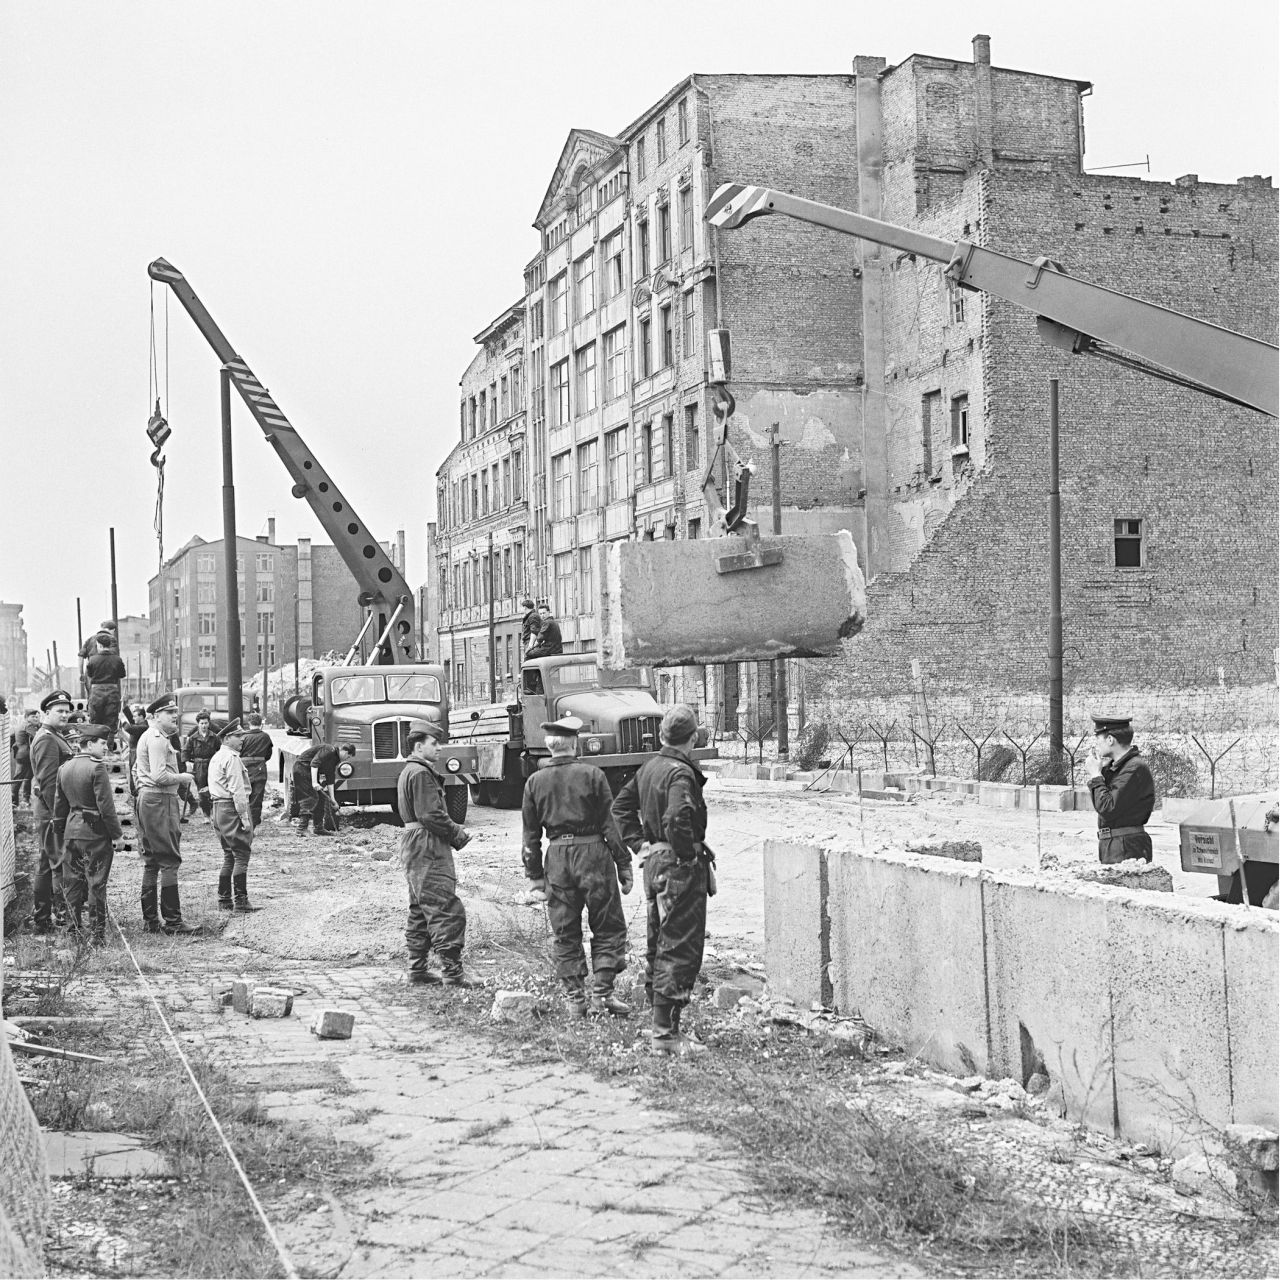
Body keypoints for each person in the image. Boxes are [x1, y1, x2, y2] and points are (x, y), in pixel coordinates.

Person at [612, 704, 714, 1056]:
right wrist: (686, 855)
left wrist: (641, 844)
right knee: (680, 946)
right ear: (693, 738)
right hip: (677, 867)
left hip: (655, 863)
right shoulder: (681, 774)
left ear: (661, 736)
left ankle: (659, 1024)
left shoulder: (650, 767)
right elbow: (677, 817)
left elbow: (620, 808)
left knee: (658, 942)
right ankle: (666, 1034)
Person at [522, 715, 633, 1017]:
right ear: (574, 743)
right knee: (608, 925)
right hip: (593, 853)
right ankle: (602, 995)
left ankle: (575, 999)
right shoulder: (593, 774)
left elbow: (530, 836)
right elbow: (611, 824)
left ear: (550, 747)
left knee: (565, 930)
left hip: (557, 857)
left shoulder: (534, 782)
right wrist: (623, 865)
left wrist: (535, 876)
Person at [396, 720, 480, 988]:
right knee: (445, 907)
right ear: (419, 747)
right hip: (427, 843)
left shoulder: (410, 770)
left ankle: (417, 969)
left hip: (416, 843)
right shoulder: (420, 773)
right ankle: (453, 974)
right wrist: (458, 833)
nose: (440, 748)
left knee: (420, 909)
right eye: (435, 743)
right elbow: (431, 814)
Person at [135, 694, 201, 935]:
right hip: (160, 799)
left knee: (152, 861)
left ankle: (151, 921)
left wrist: (143, 791)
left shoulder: (149, 737)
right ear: (155, 716)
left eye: (176, 712)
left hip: (149, 798)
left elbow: (136, 770)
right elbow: (159, 777)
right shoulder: (157, 740)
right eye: (169, 712)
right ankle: (173, 922)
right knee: (170, 861)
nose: (175, 716)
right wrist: (184, 777)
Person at [52, 724, 123, 943]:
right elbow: (106, 807)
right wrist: (117, 836)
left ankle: (73, 930)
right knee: (96, 882)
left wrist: (61, 830)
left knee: (72, 882)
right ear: (89, 744)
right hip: (95, 834)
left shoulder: (65, 767)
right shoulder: (96, 767)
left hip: (72, 832)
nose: (106, 748)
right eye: (102, 744)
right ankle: (97, 934)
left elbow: (59, 805)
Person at [29, 690, 76, 933]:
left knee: (47, 863)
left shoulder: (53, 735)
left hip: (49, 810)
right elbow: (48, 783)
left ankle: (43, 918)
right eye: (59, 711)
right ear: (46, 713)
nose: (65, 715)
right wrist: (60, 816)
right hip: (51, 811)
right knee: (58, 862)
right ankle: (64, 918)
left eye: (67, 711)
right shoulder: (47, 738)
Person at [1085, 714, 1156, 865]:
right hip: (1116, 844)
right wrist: (1102, 772)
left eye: (1098, 739)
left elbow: (1107, 807)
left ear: (1110, 740)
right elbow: (1102, 805)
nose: (1096, 745)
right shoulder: (1119, 768)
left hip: (1126, 845)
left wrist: (1096, 776)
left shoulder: (1134, 768)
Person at [209, 721, 258, 913]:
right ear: (227, 737)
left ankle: (224, 900)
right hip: (231, 808)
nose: (243, 739)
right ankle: (241, 901)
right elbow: (238, 791)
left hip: (218, 808)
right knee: (241, 854)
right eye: (238, 736)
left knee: (229, 855)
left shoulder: (217, 757)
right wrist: (244, 818)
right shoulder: (232, 758)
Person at [289, 740, 354, 835]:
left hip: (309, 772)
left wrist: (333, 800)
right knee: (311, 797)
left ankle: (318, 828)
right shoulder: (329, 750)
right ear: (344, 751)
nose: (347, 759)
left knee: (321, 798)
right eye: (348, 756)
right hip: (302, 768)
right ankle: (301, 829)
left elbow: (330, 779)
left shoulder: (335, 759)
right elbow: (314, 763)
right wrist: (315, 783)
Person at [84, 636, 127, 750]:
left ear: (100, 645)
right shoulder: (117, 659)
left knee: (95, 721)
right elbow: (122, 674)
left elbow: (89, 674)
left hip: (96, 691)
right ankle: (108, 751)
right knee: (111, 722)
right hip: (112, 691)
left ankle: (95, 749)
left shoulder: (92, 659)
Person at [239, 712, 275, 829]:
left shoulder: (243, 736)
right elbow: (268, 755)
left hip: (244, 768)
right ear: (260, 723)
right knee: (256, 797)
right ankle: (253, 825)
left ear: (249, 723)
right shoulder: (265, 737)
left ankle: (242, 823)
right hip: (260, 768)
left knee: (243, 796)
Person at [183, 711, 221, 820]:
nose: (204, 726)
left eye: (206, 723)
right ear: (198, 724)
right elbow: (185, 751)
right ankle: (206, 815)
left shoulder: (214, 737)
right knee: (201, 791)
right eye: (201, 723)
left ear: (209, 724)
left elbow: (220, 750)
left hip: (212, 765)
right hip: (198, 766)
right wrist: (187, 763)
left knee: (213, 789)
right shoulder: (193, 738)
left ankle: (214, 813)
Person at [12, 708, 39, 808]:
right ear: (27, 717)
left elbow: (12, 737)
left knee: (21, 777)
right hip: (27, 756)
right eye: (33, 716)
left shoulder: (20, 725)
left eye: (36, 716)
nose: (36, 718)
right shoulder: (29, 725)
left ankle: (18, 800)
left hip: (20, 754)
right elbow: (37, 737)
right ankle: (22, 799)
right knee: (25, 777)